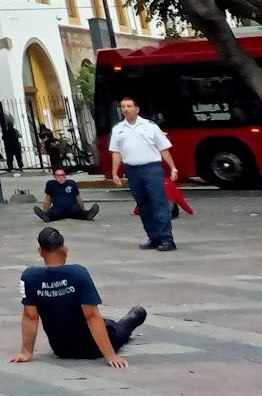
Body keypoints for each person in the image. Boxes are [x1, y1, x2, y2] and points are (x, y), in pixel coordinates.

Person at [10, 225, 147, 368]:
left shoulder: (30, 276)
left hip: (62, 349)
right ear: (65, 249)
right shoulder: (78, 273)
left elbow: (30, 316)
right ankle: (135, 315)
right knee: (123, 326)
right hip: (92, 349)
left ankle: (112, 324)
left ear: (40, 251)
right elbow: (92, 316)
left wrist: (26, 352)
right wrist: (110, 355)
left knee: (105, 323)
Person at [107, 95, 177, 252]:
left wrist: (173, 168)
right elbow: (116, 152)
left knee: (159, 204)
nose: (125, 109)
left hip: (151, 168)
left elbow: (163, 148)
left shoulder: (150, 126)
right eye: (123, 106)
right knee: (143, 205)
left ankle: (167, 239)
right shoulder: (118, 129)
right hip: (132, 170)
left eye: (129, 106)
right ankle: (154, 237)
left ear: (137, 109)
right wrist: (114, 172)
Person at [34, 165, 99, 223]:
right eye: (58, 175)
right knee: (53, 213)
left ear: (65, 175)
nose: (61, 177)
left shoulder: (71, 183)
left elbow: (78, 198)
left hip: (73, 209)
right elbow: (47, 200)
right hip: (58, 211)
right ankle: (47, 217)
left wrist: (83, 209)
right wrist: (45, 211)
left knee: (79, 212)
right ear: (54, 176)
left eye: (62, 175)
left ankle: (88, 215)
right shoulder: (51, 184)